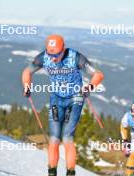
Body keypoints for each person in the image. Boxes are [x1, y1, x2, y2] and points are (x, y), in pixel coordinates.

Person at [21, 34, 104, 176]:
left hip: (75, 97)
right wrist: (27, 86)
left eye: (57, 55)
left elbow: (98, 74)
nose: (53, 58)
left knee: (66, 137)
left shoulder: (75, 57)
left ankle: (70, 173)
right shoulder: (44, 57)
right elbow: (27, 72)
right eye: (50, 54)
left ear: (63, 49)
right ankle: (52, 172)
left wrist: (89, 87)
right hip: (56, 98)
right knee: (54, 138)